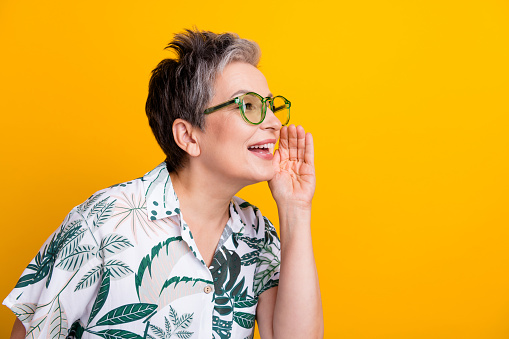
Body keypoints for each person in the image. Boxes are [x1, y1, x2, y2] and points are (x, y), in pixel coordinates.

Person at [5, 29, 323, 339]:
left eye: (270, 105)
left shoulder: (258, 233)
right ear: (188, 136)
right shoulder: (103, 222)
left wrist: (295, 209)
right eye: (248, 106)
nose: (273, 122)